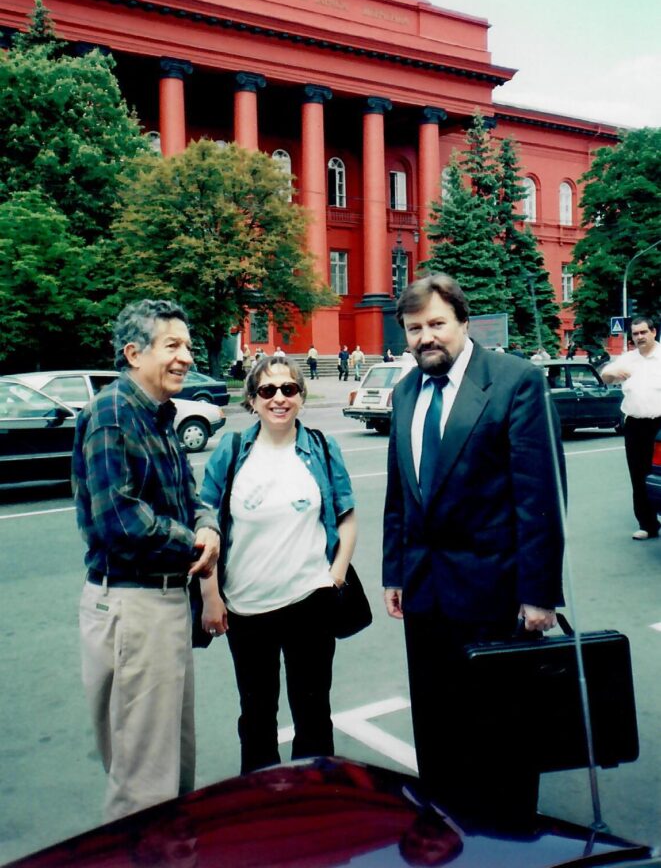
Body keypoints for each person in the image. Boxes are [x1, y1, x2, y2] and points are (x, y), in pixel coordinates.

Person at [382, 274, 565, 830]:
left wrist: (539, 596)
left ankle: (507, 832)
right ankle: (446, 823)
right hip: (424, 590)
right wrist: (394, 571)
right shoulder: (406, 391)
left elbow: (540, 498)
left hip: (495, 592)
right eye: (415, 329)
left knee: (502, 725)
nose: (425, 337)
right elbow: (400, 493)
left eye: (436, 324)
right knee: (437, 718)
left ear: (462, 322)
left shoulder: (516, 382)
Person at [72, 299, 221, 822]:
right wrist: (195, 543)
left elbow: (191, 496)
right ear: (134, 353)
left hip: (163, 605)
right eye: (172, 346)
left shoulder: (158, 417)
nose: (186, 356)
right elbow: (120, 519)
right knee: (144, 784)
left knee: (172, 771)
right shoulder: (114, 414)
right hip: (134, 606)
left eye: (188, 345)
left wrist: (206, 526)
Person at [200, 355, 357, 774]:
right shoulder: (232, 452)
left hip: (310, 601)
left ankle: (313, 800)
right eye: (268, 391)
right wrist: (211, 596)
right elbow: (205, 525)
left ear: (301, 396)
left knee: (313, 713)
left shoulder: (321, 447)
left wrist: (335, 575)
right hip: (245, 608)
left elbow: (346, 515)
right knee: (256, 715)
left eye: (289, 389)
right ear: (252, 400)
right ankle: (261, 808)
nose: (279, 399)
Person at [601, 316, 661, 540]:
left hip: (660, 424)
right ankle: (647, 524)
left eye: (643, 332)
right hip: (635, 424)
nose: (639, 337)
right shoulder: (628, 359)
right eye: (635, 334)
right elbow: (606, 376)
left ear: (653, 332)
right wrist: (611, 374)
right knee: (638, 475)